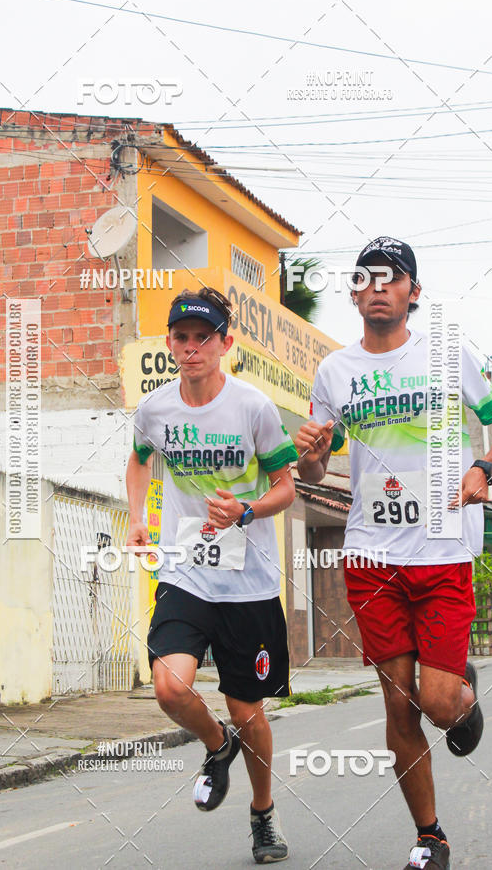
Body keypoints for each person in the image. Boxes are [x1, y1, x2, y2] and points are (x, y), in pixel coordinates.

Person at [295, 236, 492, 870]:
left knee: (438, 702)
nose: (375, 286)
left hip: (444, 549)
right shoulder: (334, 372)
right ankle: (430, 836)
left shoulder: (447, 354)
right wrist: (312, 452)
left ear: (412, 292)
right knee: (399, 704)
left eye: (389, 277)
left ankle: (462, 697)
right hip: (372, 557)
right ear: (354, 293)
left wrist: (483, 465)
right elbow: (313, 473)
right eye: (363, 278)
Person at [126, 286, 297, 864]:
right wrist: (136, 520)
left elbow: (287, 488)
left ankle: (263, 814)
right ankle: (214, 742)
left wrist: (246, 510)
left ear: (226, 343)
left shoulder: (253, 408)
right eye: (182, 337)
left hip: (248, 579)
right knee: (170, 685)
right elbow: (138, 460)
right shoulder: (156, 409)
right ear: (170, 343)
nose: (192, 348)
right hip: (186, 570)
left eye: (204, 338)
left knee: (248, 711)